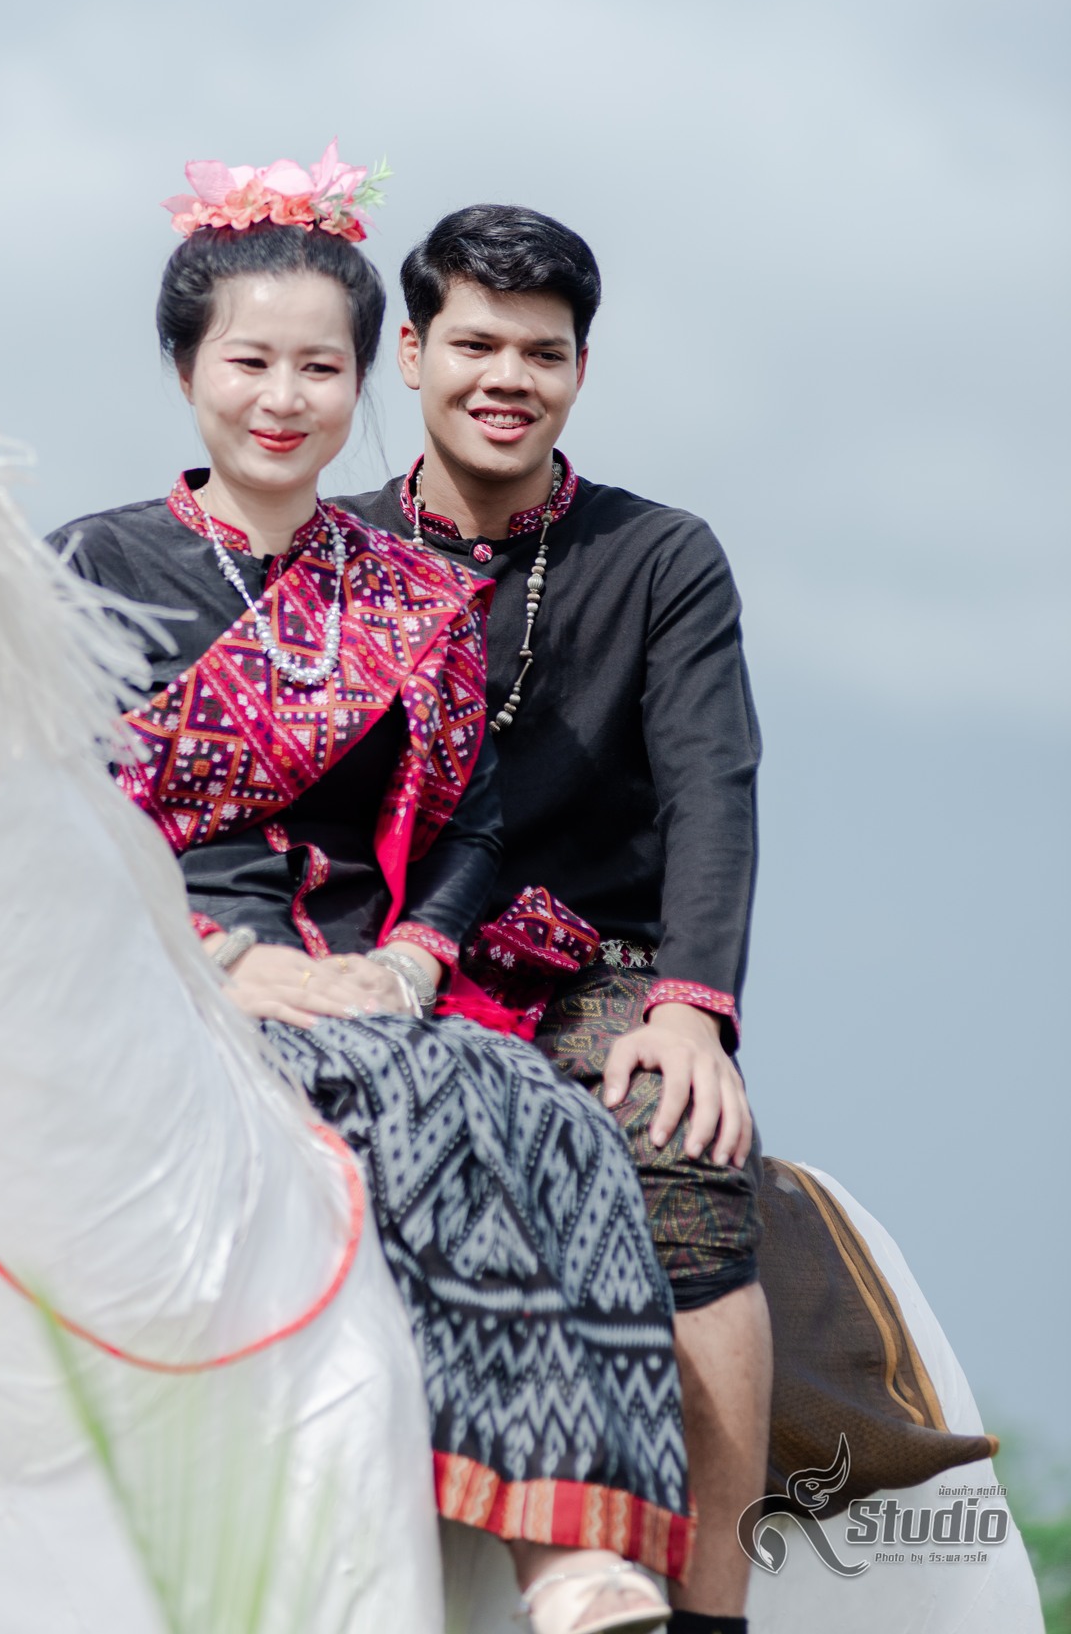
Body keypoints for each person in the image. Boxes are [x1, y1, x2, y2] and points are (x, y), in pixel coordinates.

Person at [51, 149, 690, 1634]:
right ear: (187, 370)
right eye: (249, 362)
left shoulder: (407, 588)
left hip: (370, 983)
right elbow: (45, 819)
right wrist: (225, 964)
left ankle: (569, 1546)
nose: (284, 399)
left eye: (319, 368)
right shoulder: (88, 570)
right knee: (404, 1092)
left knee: (544, 1109)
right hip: (160, 969)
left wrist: (407, 965)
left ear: (366, 378)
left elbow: (474, 826)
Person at [344, 204, 771, 1634]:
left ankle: (707, 1611)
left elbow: (714, 787)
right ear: (413, 353)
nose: (507, 378)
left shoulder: (662, 555)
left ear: (581, 368)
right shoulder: (332, 552)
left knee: (685, 1166)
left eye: (543, 352)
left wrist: (692, 1010)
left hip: (598, 970)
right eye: (476, 344)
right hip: (376, 963)